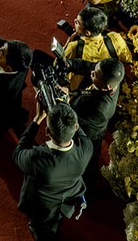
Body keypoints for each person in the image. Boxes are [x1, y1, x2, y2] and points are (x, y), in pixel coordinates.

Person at [13, 101, 90, 241]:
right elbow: (81, 133)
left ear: (47, 131)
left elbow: (18, 153)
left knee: (42, 231)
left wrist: (37, 120)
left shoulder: (39, 159)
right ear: (76, 126)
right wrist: (67, 107)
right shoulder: (86, 148)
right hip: (68, 200)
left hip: (42, 208)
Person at [70, 58, 124, 151]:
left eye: (95, 75)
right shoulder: (110, 73)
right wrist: (70, 64)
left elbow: (71, 117)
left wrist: (66, 98)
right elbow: (88, 66)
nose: (92, 73)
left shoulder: (101, 108)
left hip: (84, 138)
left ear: (107, 87)